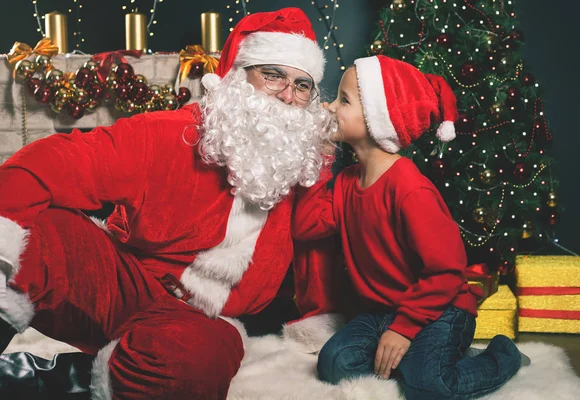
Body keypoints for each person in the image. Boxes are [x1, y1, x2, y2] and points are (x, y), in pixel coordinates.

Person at [0, 7, 336, 399]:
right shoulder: (174, 135)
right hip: (125, 283)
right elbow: (55, 160)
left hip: (201, 320)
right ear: (239, 78)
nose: (287, 96)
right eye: (273, 75)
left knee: (195, 368)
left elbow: (323, 239)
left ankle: (75, 377)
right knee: (30, 234)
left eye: (302, 85)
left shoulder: (303, 166)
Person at [292, 55, 527, 400]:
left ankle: (502, 355)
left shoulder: (409, 188)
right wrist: (321, 157)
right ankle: (427, 356)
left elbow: (446, 271)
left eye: (344, 100)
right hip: (381, 311)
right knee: (334, 365)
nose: (328, 106)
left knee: (427, 385)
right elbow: (306, 227)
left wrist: (404, 330)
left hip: (441, 309)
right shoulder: (346, 181)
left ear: (377, 119)